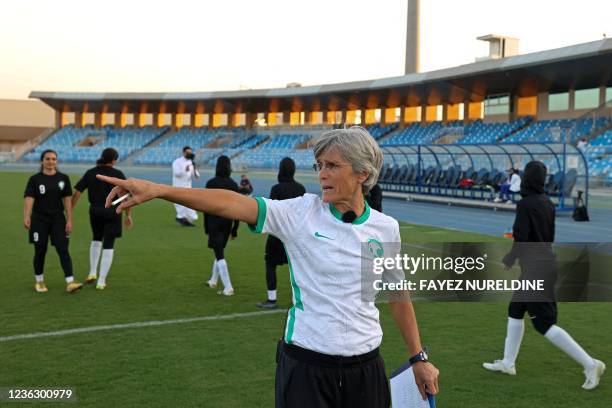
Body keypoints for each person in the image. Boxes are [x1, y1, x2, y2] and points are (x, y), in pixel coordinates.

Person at [97, 126, 439, 408]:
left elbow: (398, 295)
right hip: (306, 367)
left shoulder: (385, 228)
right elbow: (233, 203)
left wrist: (418, 357)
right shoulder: (300, 213)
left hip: (366, 369)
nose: (322, 174)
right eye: (319, 165)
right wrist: (159, 190)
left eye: (332, 166)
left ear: (362, 172)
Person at [483, 160, 605, 390]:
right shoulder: (548, 203)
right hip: (544, 262)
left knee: (545, 325)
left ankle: (590, 364)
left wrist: (510, 259)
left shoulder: (526, 204)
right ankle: (508, 363)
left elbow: (521, 237)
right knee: (515, 310)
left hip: (535, 268)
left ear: (527, 179)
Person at [72, 148, 133, 290]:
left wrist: (70, 211)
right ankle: (101, 281)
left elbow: (77, 192)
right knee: (109, 243)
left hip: (95, 211)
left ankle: (92, 273)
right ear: (114, 160)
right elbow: (126, 196)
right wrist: (128, 215)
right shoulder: (118, 174)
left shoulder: (92, 172)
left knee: (96, 238)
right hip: (112, 211)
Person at [23, 149, 82, 293]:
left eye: (54, 159)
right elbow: (29, 198)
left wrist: (69, 219)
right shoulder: (35, 179)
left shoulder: (63, 178)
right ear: (42, 161)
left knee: (63, 249)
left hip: (58, 220)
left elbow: (67, 200)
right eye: (48, 159)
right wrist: (26, 216)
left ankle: (70, 282)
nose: (51, 161)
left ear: (57, 161)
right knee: (40, 250)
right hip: (39, 220)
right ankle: (39, 281)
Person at [256, 157, 306, 309]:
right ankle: (299, 299)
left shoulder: (277, 189)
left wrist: (266, 228)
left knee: (270, 264)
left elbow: (272, 211)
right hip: (295, 234)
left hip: (278, 234)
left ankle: (272, 299)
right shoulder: (301, 189)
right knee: (297, 268)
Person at [204, 156, 240, 296]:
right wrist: (235, 229)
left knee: (219, 254)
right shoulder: (233, 184)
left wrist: (206, 226)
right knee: (219, 251)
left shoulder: (211, 183)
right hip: (227, 222)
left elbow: (205, 207)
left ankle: (228, 287)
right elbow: (238, 208)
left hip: (214, 222)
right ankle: (213, 280)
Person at [172, 146, 199, 226]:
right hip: (178, 186)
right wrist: (185, 169)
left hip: (188, 187)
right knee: (180, 204)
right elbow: (176, 173)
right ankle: (181, 218)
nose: (189, 154)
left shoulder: (191, 162)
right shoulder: (177, 162)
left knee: (189, 205)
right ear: (183, 152)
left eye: (190, 153)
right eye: (188, 153)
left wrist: (194, 168)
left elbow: (196, 176)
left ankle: (184, 219)